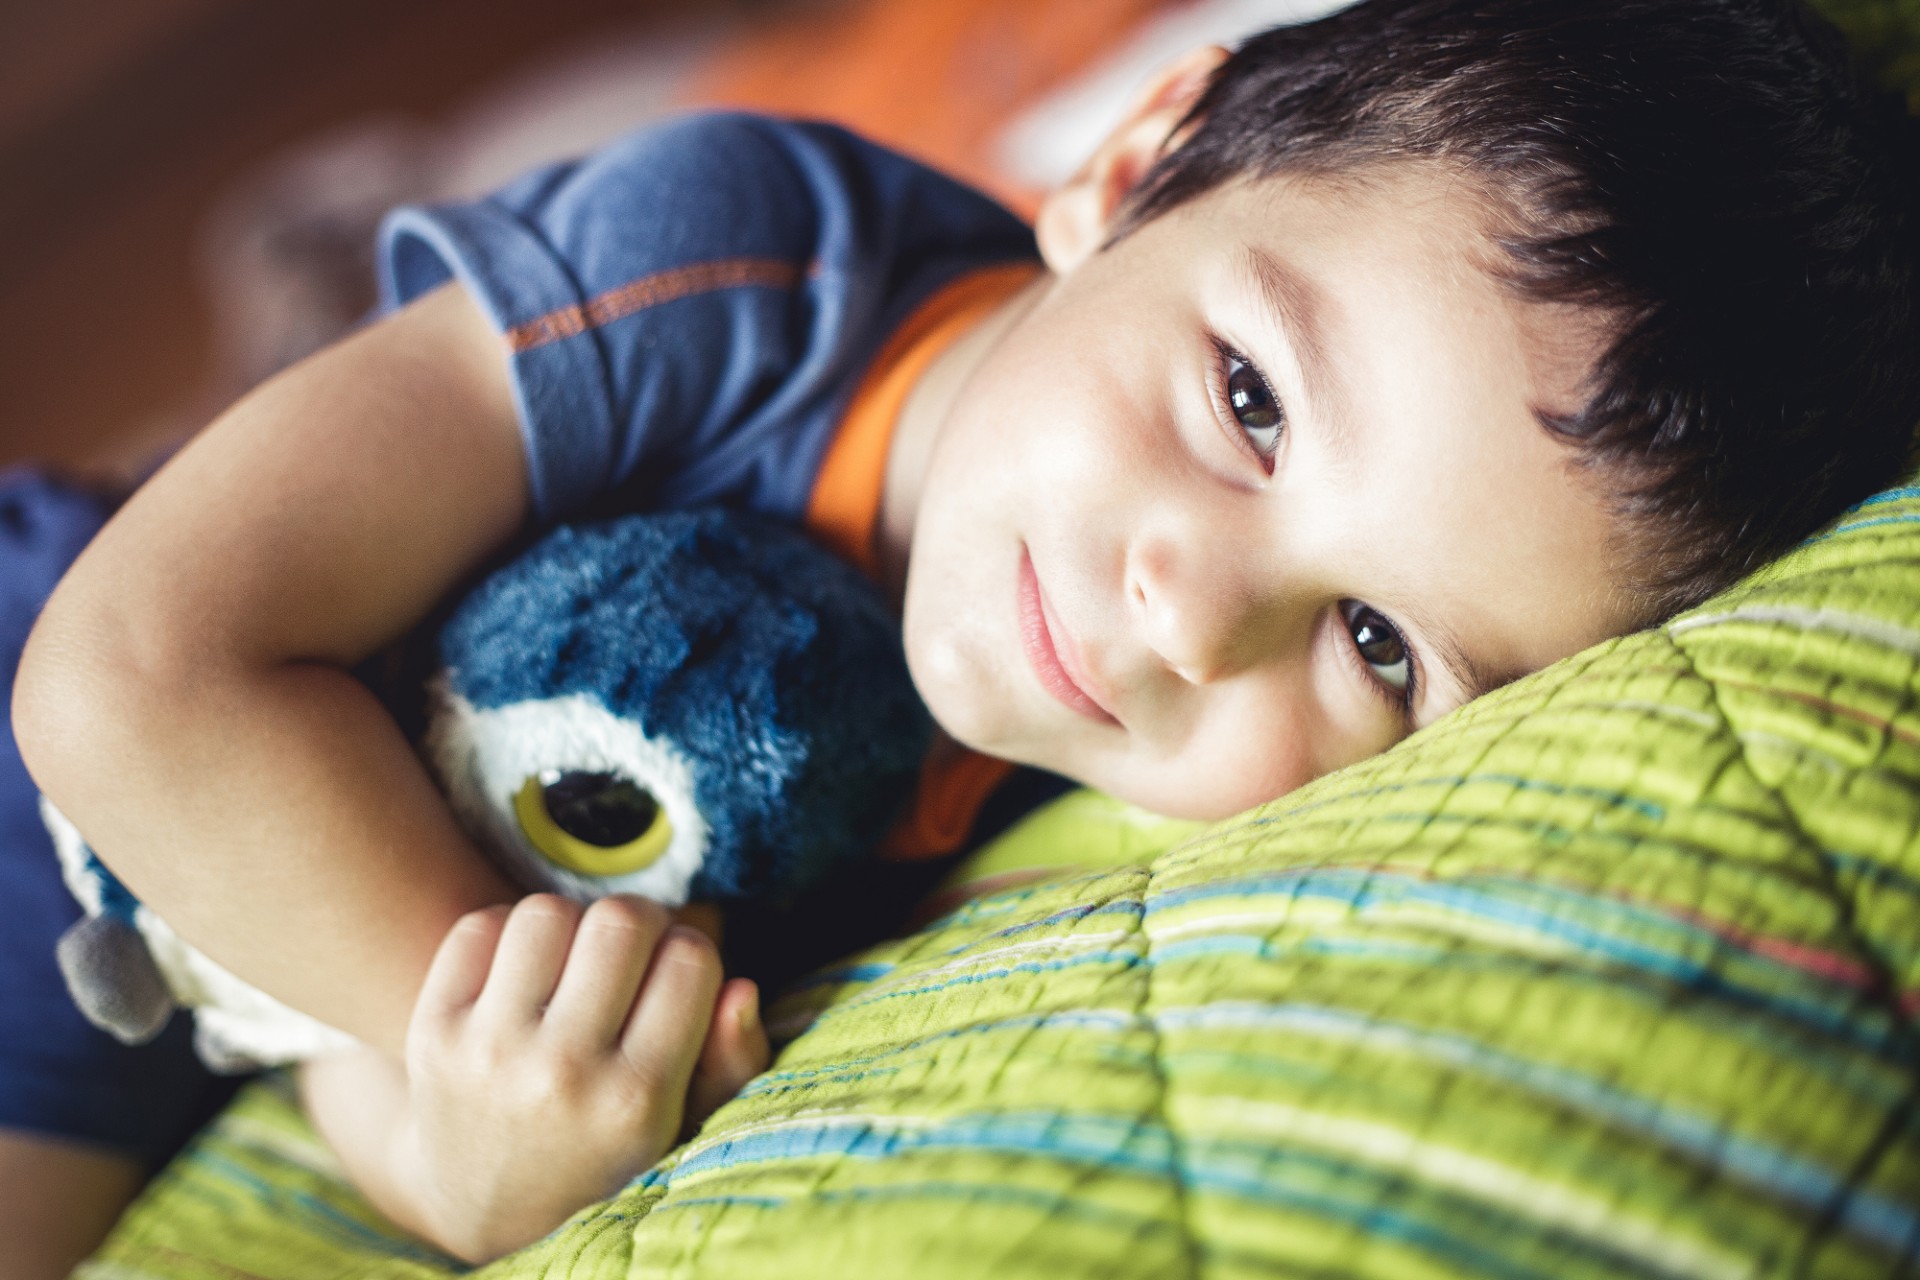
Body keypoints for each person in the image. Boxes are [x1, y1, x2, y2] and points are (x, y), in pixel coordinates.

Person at [11, 0, 1920, 1268]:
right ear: (1131, 165)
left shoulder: (1022, 795)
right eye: (1249, 400)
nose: (1198, 609)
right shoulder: (738, 274)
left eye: (1378, 644)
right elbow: (128, 678)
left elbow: (374, 1081)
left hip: (176, 996)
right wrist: (490, 1027)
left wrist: (481, 1149)